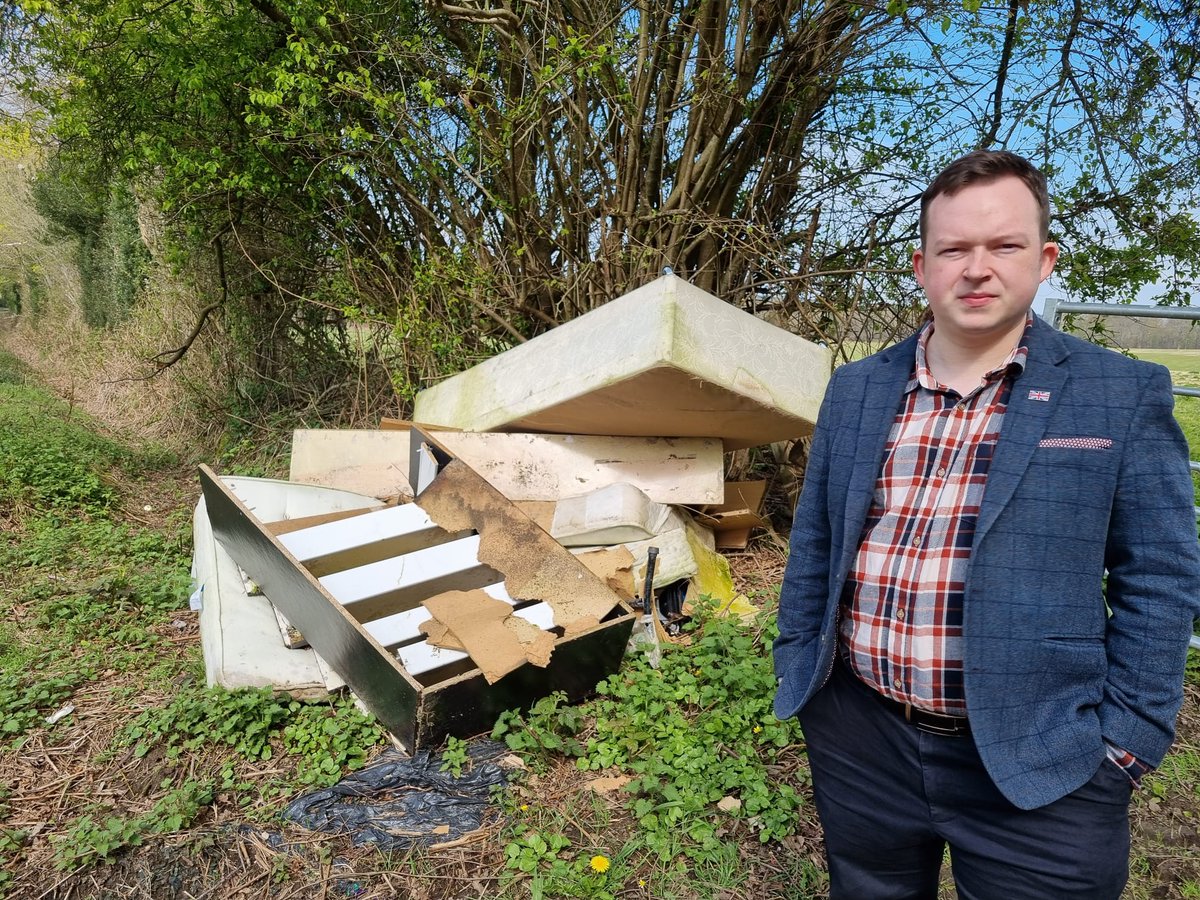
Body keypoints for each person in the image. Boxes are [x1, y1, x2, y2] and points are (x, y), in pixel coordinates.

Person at [772, 149, 1200, 899]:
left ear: (1044, 260)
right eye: (954, 249)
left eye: (1004, 246)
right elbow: (815, 542)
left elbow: (1160, 575)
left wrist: (1126, 742)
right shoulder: (858, 388)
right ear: (920, 265)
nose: (977, 268)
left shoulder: (1118, 394)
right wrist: (803, 677)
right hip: (863, 739)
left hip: (1044, 760)